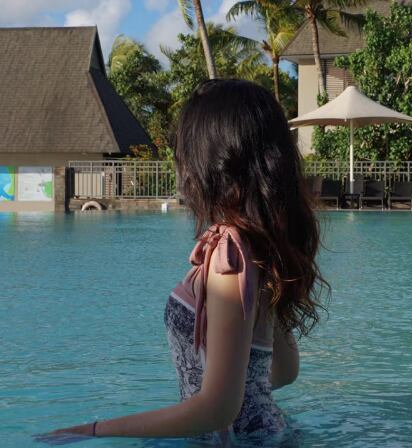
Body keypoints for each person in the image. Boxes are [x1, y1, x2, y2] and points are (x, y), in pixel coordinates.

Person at [38, 79, 327, 446]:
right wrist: (240, 389)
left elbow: (217, 410)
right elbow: (285, 370)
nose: (181, 160)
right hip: (268, 435)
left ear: (213, 159)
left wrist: (93, 430)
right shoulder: (260, 247)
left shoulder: (230, 256)